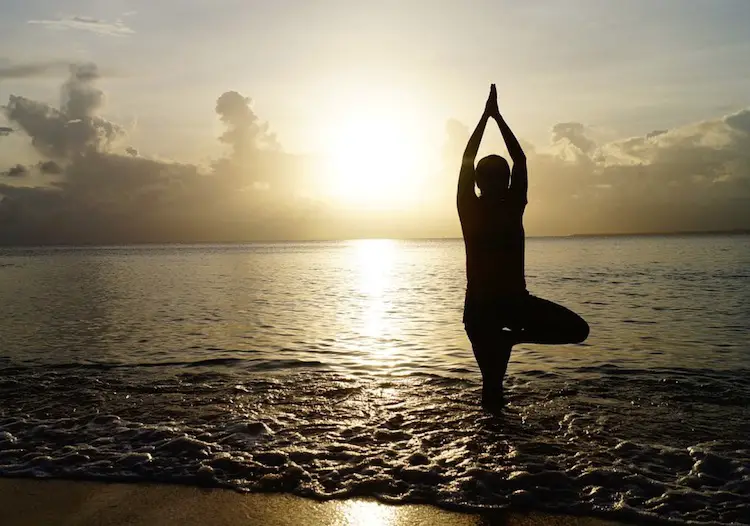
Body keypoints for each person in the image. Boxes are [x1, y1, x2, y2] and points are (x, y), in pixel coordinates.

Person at [458, 84, 589, 411]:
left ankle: (490, 445)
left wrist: (489, 117)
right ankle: (495, 444)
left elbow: (489, 159)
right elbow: (516, 158)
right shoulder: (496, 206)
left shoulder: (480, 207)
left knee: (492, 384)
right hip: (491, 309)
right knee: (493, 385)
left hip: (500, 308)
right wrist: (495, 118)